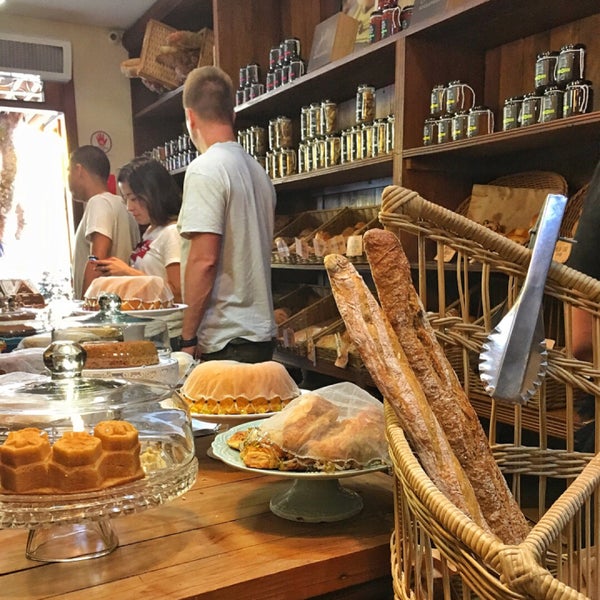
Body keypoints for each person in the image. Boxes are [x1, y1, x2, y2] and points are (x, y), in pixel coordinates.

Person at [177, 65, 277, 363]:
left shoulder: (205, 169)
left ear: (190, 116)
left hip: (224, 340)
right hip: (259, 335)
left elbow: (203, 260)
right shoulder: (259, 173)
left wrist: (187, 337)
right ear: (232, 115)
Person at [92, 156, 184, 346]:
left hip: (168, 333)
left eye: (134, 199)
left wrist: (128, 273)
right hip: (147, 331)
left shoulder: (172, 233)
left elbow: (179, 293)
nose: (129, 207)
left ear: (154, 193)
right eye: (126, 199)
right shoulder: (151, 232)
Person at [69, 145, 140, 299]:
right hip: (123, 303)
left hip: (104, 307)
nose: (68, 178)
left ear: (79, 170)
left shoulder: (98, 202)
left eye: (69, 171)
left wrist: (85, 307)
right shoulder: (122, 205)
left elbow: (96, 259)